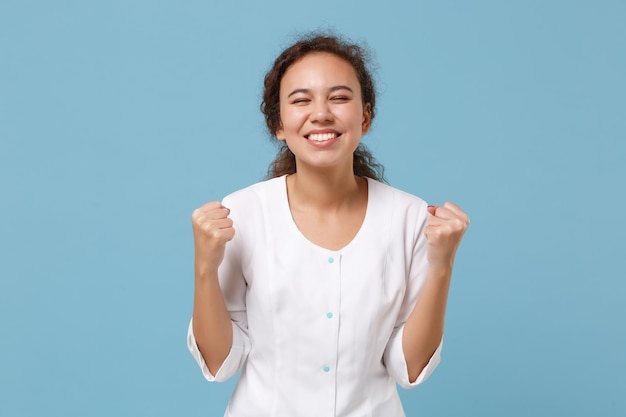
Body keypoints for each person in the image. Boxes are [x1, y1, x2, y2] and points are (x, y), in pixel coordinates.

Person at [187, 33, 469, 417]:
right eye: (301, 100)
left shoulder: (410, 218)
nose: (321, 113)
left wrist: (442, 265)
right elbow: (221, 364)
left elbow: (409, 369)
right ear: (279, 125)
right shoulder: (241, 214)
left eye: (338, 97)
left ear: (365, 118)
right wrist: (204, 266)